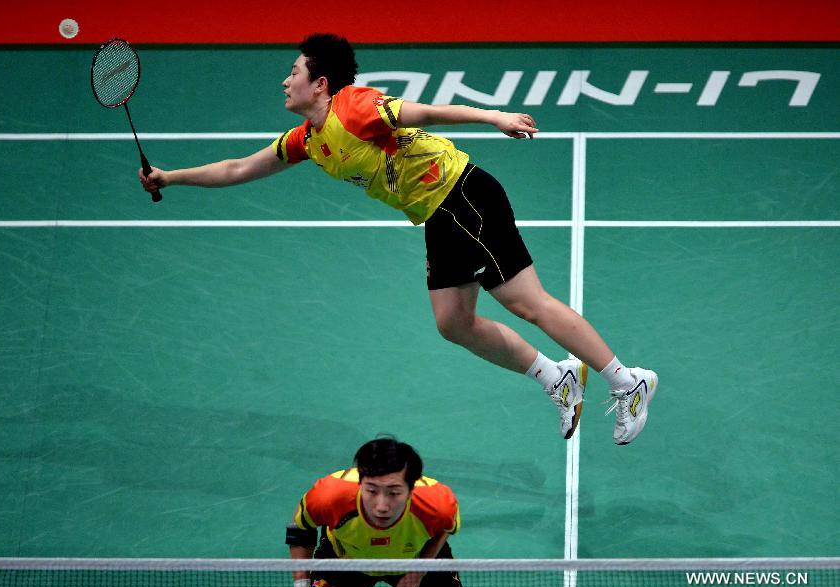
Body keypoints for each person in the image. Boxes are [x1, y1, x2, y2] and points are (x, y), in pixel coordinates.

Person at [139, 33, 658, 445]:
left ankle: (625, 381)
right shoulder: (309, 139)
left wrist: (493, 116)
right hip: (436, 214)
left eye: (293, 72)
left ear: (320, 83)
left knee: (529, 304)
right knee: (453, 323)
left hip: (462, 195)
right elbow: (237, 169)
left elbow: (425, 111)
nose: (284, 81)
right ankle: (557, 377)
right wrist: (171, 176)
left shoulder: (353, 107)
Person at [285, 437, 467, 587]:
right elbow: (300, 529)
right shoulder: (329, 496)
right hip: (343, 561)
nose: (381, 506)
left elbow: (444, 527)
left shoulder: (436, 504)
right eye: (371, 491)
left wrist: (418, 570)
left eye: (394, 492)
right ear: (360, 483)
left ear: (412, 489)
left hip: (414, 557)